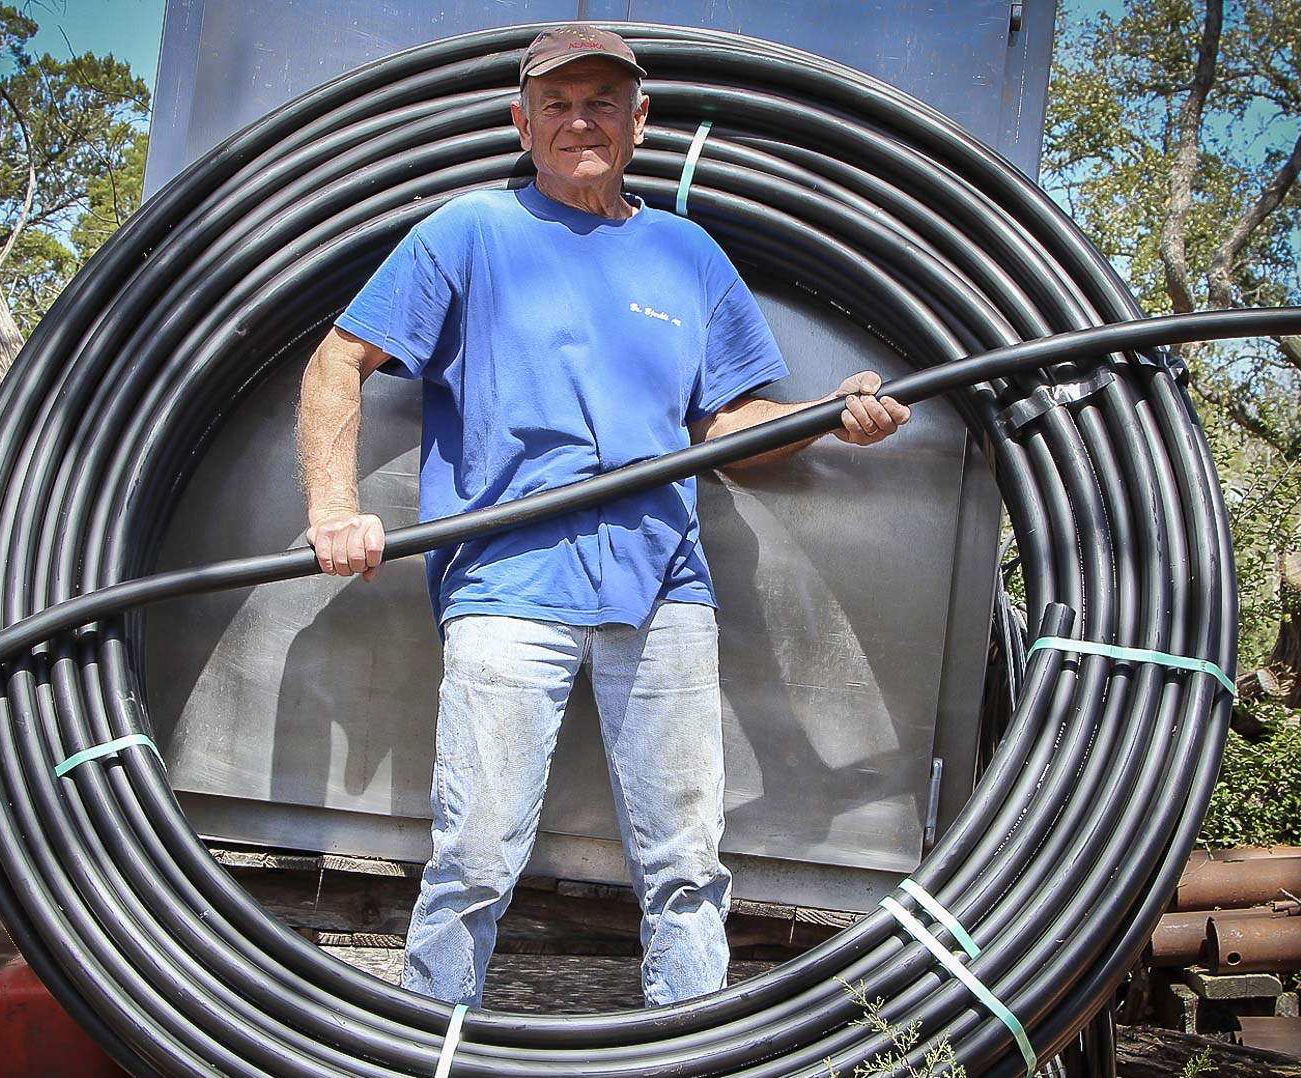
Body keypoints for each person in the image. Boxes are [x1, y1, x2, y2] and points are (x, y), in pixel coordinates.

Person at [297, 25, 909, 1009]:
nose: (580, 119)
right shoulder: (469, 233)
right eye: (558, 102)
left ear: (639, 119)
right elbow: (338, 360)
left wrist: (832, 416)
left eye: (602, 101)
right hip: (505, 586)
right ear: (521, 122)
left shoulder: (686, 252)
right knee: (478, 855)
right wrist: (335, 506)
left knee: (685, 861)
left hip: (663, 591)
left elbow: (732, 426)